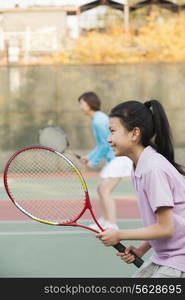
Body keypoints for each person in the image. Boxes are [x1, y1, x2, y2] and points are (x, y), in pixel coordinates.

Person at [97, 99, 185, 278]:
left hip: (179, 260)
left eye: (112, 131)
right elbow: (162, 222)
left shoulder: (153, 168)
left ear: (134, 133)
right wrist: (142, 248)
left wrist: (119, 235)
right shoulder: (140, 166)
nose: (108, 138)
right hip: (165, 257)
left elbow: (166, 228)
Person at [78, 92, 132, 230]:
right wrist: (90, 156)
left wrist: (93, 162)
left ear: (89, 104)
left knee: (104, 190)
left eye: (82, 103)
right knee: (101, 188)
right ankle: (105, 220)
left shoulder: (98, 120)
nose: (80, 107)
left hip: (119, 159)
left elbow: (105, 144)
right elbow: (101, 144)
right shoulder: (99, 118)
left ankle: (112, 224)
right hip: (114, 159)